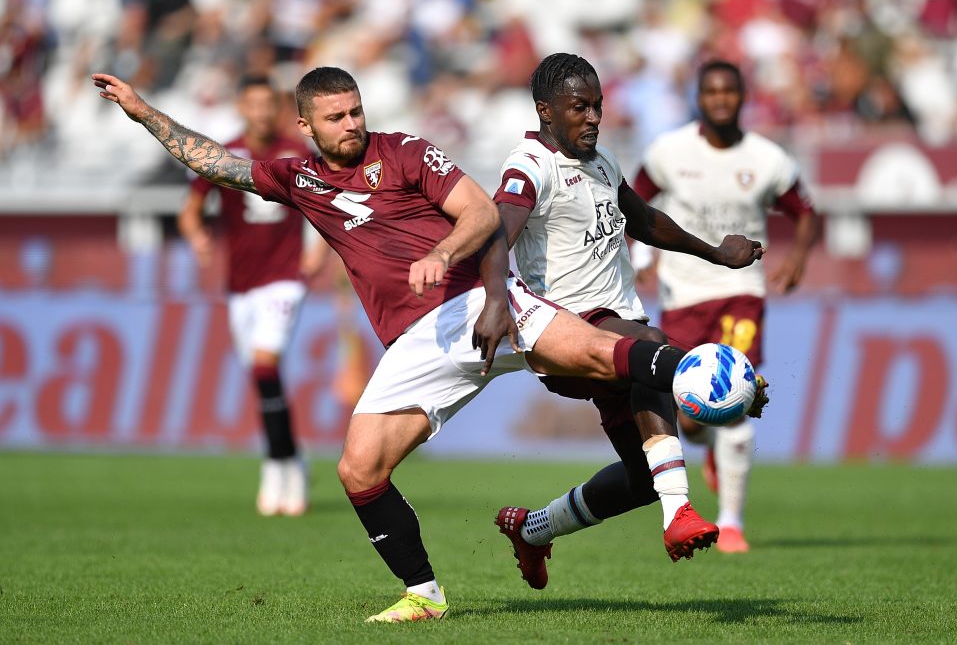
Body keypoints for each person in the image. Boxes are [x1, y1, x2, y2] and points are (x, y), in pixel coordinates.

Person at [93, 66, 758, 623]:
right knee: (358, 469)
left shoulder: (406, 151)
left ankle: (720, 373)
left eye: (356, 111)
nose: (351, 124)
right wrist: (142, 111)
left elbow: (480, 211)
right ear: (307, 128)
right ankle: (425, 593)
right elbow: (215, 162)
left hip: (477, 301)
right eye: (335, 117)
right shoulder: (299, 181)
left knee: (603, 348)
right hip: (420, 342)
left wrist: (445, 254)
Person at [482, 53, 767, 590]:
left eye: (597, 106)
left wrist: (715, 253)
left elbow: (645, 220)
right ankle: (679, 514)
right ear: (546, 111)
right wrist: (496, 300)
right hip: (568, 335)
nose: (592, 117)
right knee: (652, 346)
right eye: (578, 107)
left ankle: (534, 529)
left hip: (619, 329)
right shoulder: (530, 166)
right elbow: (497, 234)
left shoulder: (603, 162)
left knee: (642, 479)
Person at [632, 59, 820, 553]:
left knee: (738, 398)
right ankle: (713, 448)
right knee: (693, 419)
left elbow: (805, 211)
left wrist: (799, 256)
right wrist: (641, 253)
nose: (720, 99)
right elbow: (632, 201)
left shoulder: (767, 159)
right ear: (699, 96)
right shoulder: (669, 151)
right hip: (683, 293)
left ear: (742, 97)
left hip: (741, 293)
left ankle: (732, 522)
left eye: (729, 91)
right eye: (711, 91)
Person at [177, 74, 325, 517]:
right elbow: (190, 212)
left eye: (268, 104)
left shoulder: (297, 152)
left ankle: (281, 468)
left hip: (285, 277)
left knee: (265, 364)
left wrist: (316, 250)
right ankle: (289, 455)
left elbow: (322, 207)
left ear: (277, 108)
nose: (260, 112)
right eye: (252, 104)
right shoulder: (224, 154)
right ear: (241, 107)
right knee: (264, 380)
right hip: (240, 285)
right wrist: (196, 236)